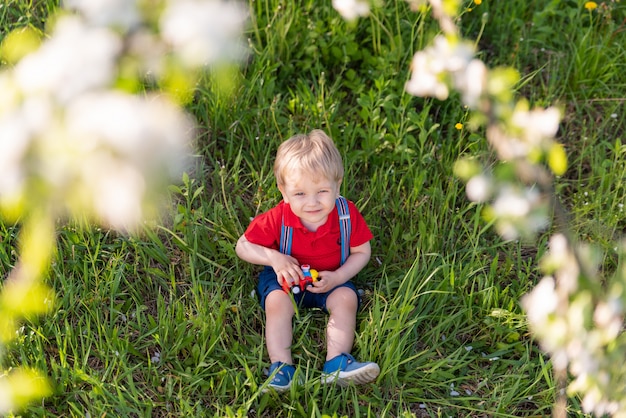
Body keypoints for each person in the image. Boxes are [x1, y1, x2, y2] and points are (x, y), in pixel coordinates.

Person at [235, 129, 380, 392]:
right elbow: (242, 246)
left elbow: (362, 252)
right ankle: (282, 368)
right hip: (286, 279)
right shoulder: (278, 218)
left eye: (322, 191)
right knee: (277, 303)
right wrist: (274, 258)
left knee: (347, 300)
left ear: (337, 185)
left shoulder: (346, 215)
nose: (312, 202)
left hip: (331, 276)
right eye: (300, 194)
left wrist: (339, 277)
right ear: (284, 191)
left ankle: (336, 364)